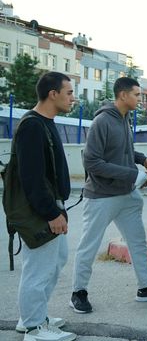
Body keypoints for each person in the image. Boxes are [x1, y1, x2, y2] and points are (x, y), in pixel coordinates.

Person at [70, 77, 147, 314]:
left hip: (127, 196)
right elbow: (92, 161)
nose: (140, 99)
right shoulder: (102, 121)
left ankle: (146, 288)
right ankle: (78, 292)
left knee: (138, 242)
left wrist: (142, 159)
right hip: (101, 196)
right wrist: (132, 175)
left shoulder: (124, 119)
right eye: (137, 95)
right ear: (123, 95)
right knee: (89, 245)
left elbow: (122, 150)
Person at [15, 72, 77, 341]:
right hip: (42, 209)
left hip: (54, 205)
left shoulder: (46, 123)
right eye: (69, 92)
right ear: (53, 94)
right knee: (39, 267)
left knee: (55, 261)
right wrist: (51, 212)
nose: (72, 98)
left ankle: (32, 316)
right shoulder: (32, 125)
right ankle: (33, 328)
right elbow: (32, 177)